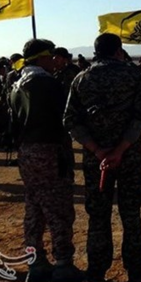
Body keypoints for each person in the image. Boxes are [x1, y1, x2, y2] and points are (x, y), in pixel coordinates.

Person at [63, 33, 141, 282]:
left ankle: (95, 273)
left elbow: (70, 121)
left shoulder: (81, 79)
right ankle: (137, 272)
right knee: (131, 215)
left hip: (98, 162)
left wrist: (97, 150)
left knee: (98, 217)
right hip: (129, 158)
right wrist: (120, 150)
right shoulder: (133, 76)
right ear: (118, 50)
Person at [9, 39, 85, 281]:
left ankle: (36, 262)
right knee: (58, 207)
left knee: (34, 209)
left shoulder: (15, 84)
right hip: (50, 152)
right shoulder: (48, 84)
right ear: (42, 58)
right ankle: (63, 263)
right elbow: (65, 118)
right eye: (51, 56)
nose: (55, 60)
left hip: (27, 152)